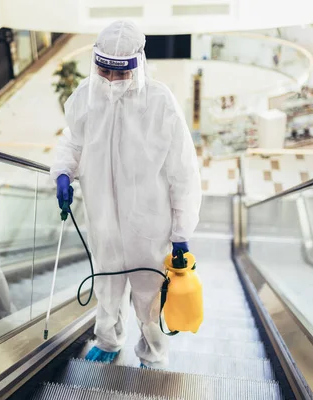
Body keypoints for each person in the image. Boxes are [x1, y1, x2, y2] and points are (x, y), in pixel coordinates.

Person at [51, 21, 202, 369]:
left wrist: (181, 233)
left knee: (149, 296)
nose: (111, 80)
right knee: (106, 287)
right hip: (103, 220)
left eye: (120, 74)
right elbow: (72, 140)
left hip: (149, 226)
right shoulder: (86, 97)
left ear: (138, 65)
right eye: (104, 70)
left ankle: (153, 353)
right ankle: (108, 340)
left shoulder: (160, 103)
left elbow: (183, 172)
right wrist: (62, 172)